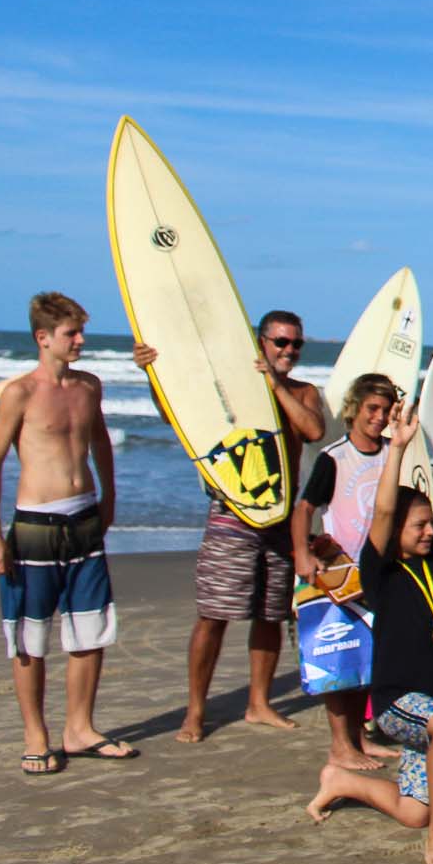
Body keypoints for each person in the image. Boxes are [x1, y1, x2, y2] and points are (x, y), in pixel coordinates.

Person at [306, 395, 433, 864]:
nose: (430, 531)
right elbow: (384, 513)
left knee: (412, 810)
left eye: (431, 524)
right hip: (399, 704)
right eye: (420, 525)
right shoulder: (382, 570)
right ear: (396, 532)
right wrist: (396, 448)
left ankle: (342, 781)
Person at [135, 308, 324, 744]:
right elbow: (177, 416)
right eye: (281, 342)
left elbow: (312, 429)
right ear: (261, 343)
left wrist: (275, 386)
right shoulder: (232, 393)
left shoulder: (303, 391)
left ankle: (259, 703)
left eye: (296, 344)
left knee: (271, 614)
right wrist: (151, 374)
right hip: (232, 512)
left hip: (278, 517)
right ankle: (195, 710)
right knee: (213, 615)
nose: (289, 351)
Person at [0, 292, 134, 774]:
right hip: (35, 525)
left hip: (84, 519)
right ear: (43, 338)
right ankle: (35, 735)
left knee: (90, 629)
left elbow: (101, 442)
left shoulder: (89, 386)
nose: (81, 341)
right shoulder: (20, 393)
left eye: (81, 331)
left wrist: (109, 497)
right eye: (72, 333)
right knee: (30, 637)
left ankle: (80, 729)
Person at [291, 372, 404, 769]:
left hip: (383, 572)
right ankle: (341, 746)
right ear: (354, 409)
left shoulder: (395, 452)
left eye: (386, 410)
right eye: (373, 408)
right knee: (339, 660)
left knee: (367, 661)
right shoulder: (334, 457)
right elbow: (304, 509)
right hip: (340, 571)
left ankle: (358, 738)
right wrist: (302, 555)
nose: (380, 416)